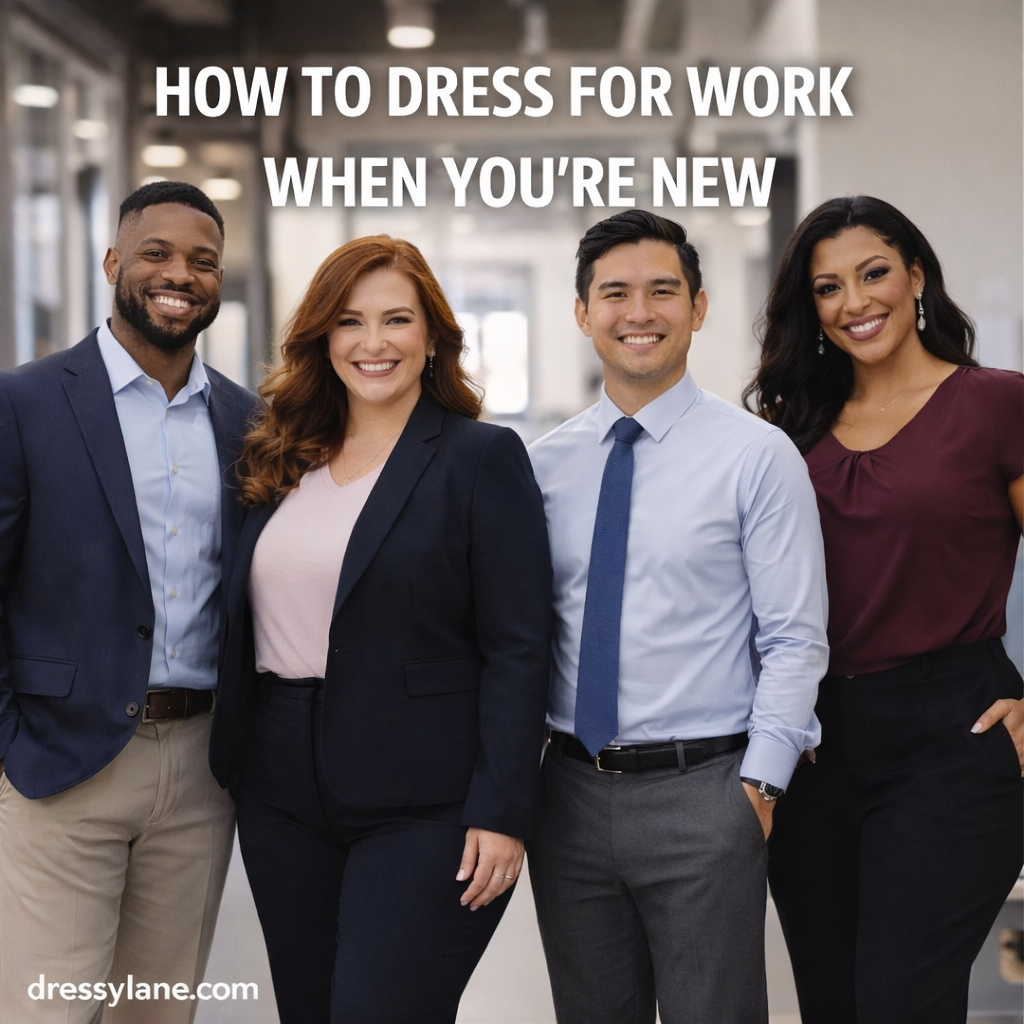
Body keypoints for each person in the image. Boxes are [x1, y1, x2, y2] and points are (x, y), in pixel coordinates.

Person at [209, 234, 552, 1024]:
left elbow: (519, 645)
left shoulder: (480, 458)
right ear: (322, 337)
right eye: (349, 321)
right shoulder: (281, 455)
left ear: (432, 336)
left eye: (396, 320)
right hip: (280, 787)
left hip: (424, 797)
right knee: (307, 1009)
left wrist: (504, 809)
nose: (373, 343)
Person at [526, 209, 829, 1024]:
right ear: (582, 312)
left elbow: (796, 636)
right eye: (614, 293)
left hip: (709, 792)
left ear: (698, 307)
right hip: (570, 796)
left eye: (663, 291)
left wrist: (758, 786)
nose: (639, 313)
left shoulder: (757, 456)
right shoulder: (542, 467)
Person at [744, 195, 1024, 1024]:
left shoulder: (997, 404)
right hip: (816, 747)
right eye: (828, 288)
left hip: (952, 736)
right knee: (833, 1006)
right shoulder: (789, 430)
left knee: (903, 1003)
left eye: (873, 274)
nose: (856, 303)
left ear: (916, 276)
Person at [0, 180, 257, 1023]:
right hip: (60, 765)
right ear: (114, 263)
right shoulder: (26, 402)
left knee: (158, 1011)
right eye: (157, 253)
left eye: (202, 260)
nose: (179, 273)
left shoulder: (246, 422)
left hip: (198, 770)